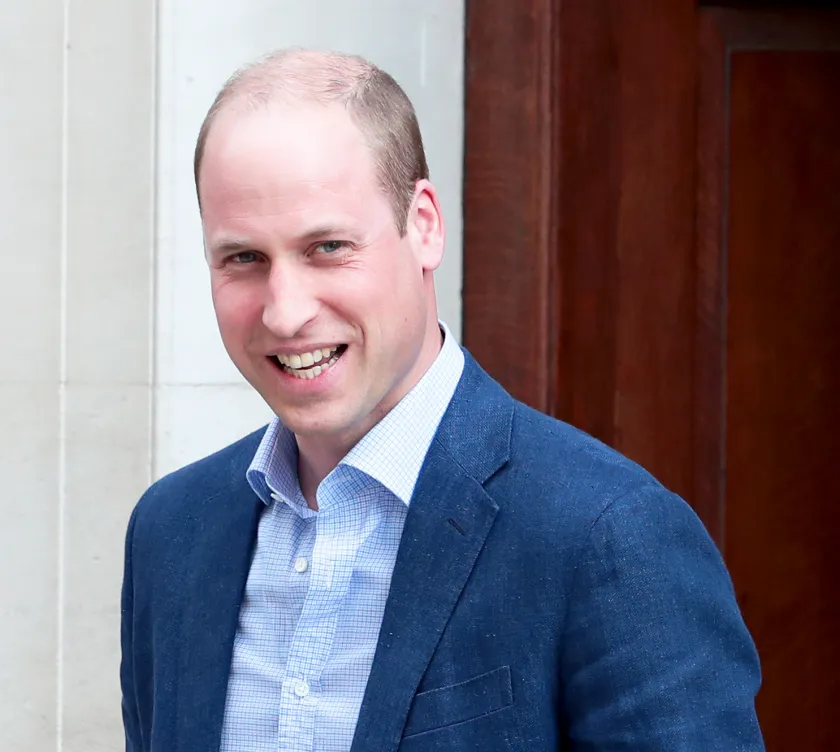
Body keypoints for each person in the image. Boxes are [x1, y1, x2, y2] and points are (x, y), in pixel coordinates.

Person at [119, 49, 763, 751]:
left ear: (423, 224)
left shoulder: (607, 535)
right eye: (243, 258)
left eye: (327, 247)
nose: (285, 310)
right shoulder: (171, 532)